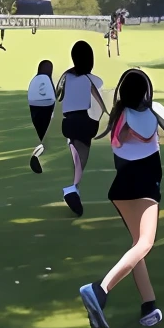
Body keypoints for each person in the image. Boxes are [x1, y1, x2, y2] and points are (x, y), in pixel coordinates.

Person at [77, 68, 164, 328]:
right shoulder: (151, 114)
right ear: (145, 92)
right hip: (146, 187)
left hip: (121, 188)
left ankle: (149, 305)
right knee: (145, 243)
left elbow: (118, 143)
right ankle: (100, 290)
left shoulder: (119, 117)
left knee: (138, 246)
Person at [56, 40, 106, 218]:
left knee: (77, 157)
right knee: (81, 160)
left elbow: (58, 95)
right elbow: (100, 102)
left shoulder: (67, 77)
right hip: (84, 122)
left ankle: (74, 189)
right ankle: (72, 189)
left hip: (68, 122)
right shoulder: (90, 79)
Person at [27, 57, 57, 174]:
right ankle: (37, 155)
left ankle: (37, 154)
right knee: (44, 135)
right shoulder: (47, 79)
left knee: (40, 133)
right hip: (47, 105)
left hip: (34, 106)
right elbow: (54, 96)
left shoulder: (35, 79)